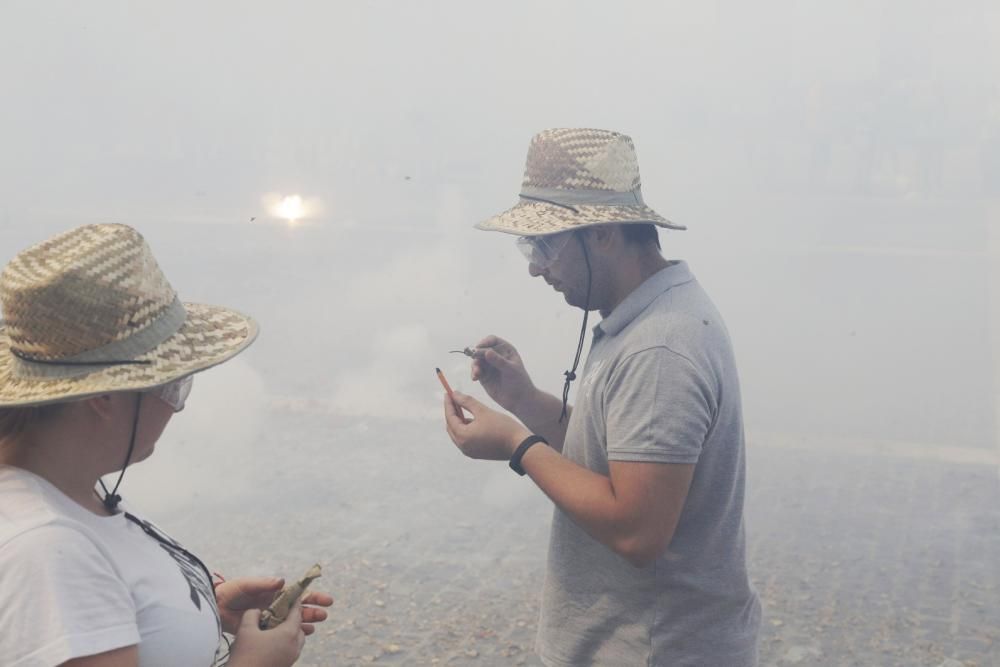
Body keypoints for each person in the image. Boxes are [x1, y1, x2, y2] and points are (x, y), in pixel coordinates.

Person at [442, 128, 761, 666]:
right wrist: (524, 399)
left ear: (605, 234)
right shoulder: (642, 317)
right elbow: (615, 456)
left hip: (653, 650)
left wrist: (518, 446)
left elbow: (637, 529)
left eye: (545, 244)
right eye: (531, 245)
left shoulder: (660, 347)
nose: (535, 266)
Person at [0, 224, 333, 667]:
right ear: (103, 397)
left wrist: (190, 612)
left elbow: (94, 608)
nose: (176, 408)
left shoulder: (65, 498)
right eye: (173, 383)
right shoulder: (48, 548)